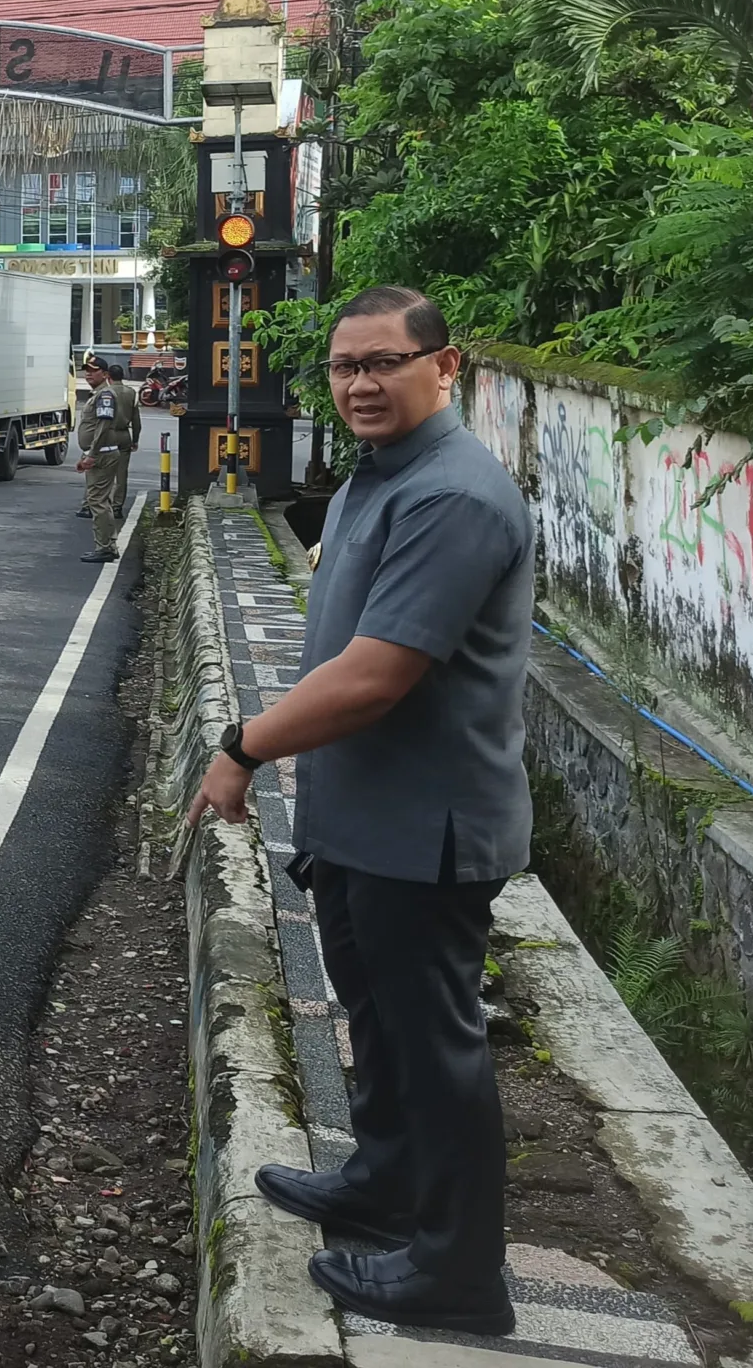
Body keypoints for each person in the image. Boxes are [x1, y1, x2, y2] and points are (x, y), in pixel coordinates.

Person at [186, 287, 535, 1337]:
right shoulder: (371, 482)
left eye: (384, 362)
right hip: (358, 819)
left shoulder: (453, 497)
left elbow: (376, 675)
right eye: (345, 367)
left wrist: (241, 747)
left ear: (446, 365)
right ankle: (383, 1186)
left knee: (437, 1052)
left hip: (422, 832)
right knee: (375, 1025)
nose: (360, 384)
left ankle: (459, 1274)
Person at [75, 353, 140, 562]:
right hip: (100, 452)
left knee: (98, 501)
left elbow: (102, 426)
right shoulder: (99, 394)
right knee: (101, 500)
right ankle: (107, 545)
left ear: (105, 374)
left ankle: (105, 547)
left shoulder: (105, 395)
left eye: (93, 371)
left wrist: (91, 454)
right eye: (87, 371)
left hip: (102, 454)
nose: (88, 374)